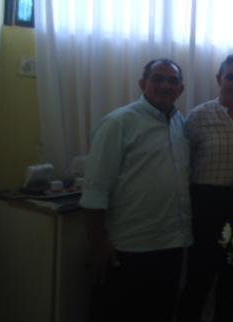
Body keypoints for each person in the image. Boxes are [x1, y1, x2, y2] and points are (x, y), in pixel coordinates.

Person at [80, 58, 191, 322]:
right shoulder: (118, 124)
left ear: (181, 89)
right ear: (143, 83)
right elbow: (94, 194)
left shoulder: (181, 125)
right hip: (128, 250)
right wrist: (99, 247)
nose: (165, 85)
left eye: (172, 80)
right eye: (158, 78)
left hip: (172, 247)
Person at [178, 55, 233, 322]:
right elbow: (183, 164)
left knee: (232, 276)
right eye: (230, 77)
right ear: (219, 79)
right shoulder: (198, 117)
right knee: (199, 276)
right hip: (206, 204)